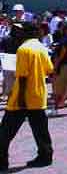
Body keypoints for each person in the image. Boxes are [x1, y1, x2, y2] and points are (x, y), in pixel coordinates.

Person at [0, 22, 54, 170]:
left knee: (4, 133)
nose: (16, 33)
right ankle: (45, 157)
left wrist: (21, 100)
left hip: (22, 98)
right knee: (41, 131)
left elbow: (22, 77)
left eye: (19, 30)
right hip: (38, 97)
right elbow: (49, 69)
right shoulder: (41, 47)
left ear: (26, 33)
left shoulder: (23, 49)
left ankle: (2, 162)